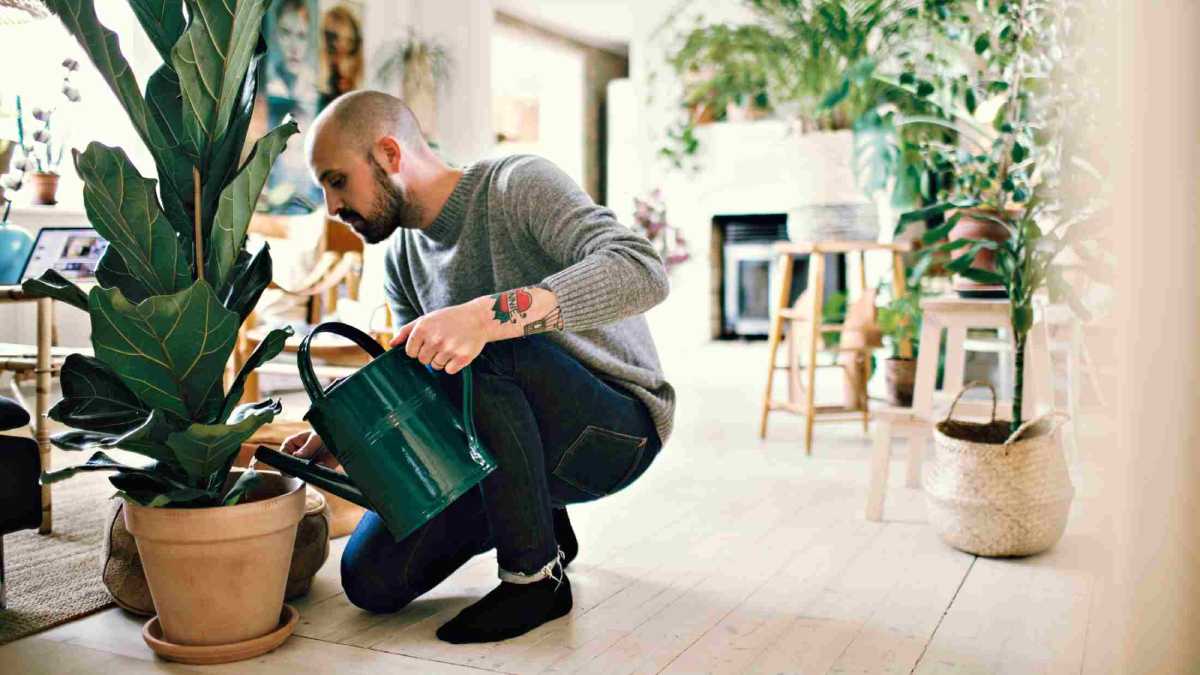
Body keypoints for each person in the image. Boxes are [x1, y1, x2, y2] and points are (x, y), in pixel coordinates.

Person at [284, 91, 675, 644]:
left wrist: (486, 317)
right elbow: (416, 382)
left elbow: (642, 271)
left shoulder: (518, 185)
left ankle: (533, 578)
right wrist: (349, 436)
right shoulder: (400, 257)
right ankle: (543, 523)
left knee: (476, 350)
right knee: (371, 579)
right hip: (507, 437)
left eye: (338, 180)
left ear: (390, 155)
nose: (331, 207)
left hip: (614, 431)